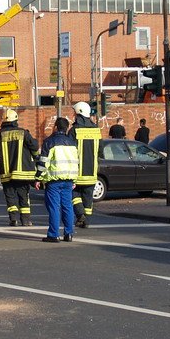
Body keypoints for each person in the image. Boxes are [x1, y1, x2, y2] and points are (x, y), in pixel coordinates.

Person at [0, 109, 38, 226]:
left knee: (10, 196)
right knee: (23, 196)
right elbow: (34, 146)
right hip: (23, 172)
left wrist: (2, 161)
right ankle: (25, 220)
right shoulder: (23, 133)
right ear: (16, 120)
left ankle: (13, 219)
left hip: (6, 172)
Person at [38, 117, 79, 243]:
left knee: (54, 207)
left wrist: (38, 178)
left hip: (54, 180)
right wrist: (75, 180)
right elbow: (76, 162)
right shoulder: (72, 143)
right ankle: (69, 233)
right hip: (69, 180)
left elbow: (43, 162)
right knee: (67, 206)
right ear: (66, 128)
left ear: (55, 127)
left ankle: (53, 234)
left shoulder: (49, 142)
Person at [69, 101, 101, 229]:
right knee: (88, 197)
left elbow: (69, 149)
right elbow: (101, 149)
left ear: (79, 114)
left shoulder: (74, 130)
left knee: (74, 194)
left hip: (77, 171)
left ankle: (80, 215)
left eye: (75, 113)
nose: (73, 115)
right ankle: (86, 220)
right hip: (92, 172)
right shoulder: (96, 130)